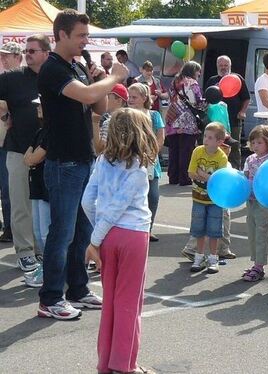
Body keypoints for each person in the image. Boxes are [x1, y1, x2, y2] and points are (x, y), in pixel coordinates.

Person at [37, 9, 129, 320]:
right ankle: (50, 298)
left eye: (86, 35)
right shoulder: (52, 69)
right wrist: (115, 77)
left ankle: (77, 289)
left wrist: (101, 79)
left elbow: (98, 105)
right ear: (61, 35)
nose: (85, 41)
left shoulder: (75, 66)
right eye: (80, 35)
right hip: (63, 163)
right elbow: (87, 95)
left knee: (83, 232)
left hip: (83, 159)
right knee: (61, 233)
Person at [82, 108, 159, 374]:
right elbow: (119, 206)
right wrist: (96, 238)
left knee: (111, 303)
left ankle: (106, 363)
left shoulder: (102, 160)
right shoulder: (139, 167)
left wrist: (98, 236)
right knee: (129, 302)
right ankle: (125, 365)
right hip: (133, 235)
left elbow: (87, 202)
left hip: (108, 237)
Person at [0, 34, 50, 271]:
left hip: (50, 151)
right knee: (21, 203)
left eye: (33, 50)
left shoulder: (55, 75)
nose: (27, 54)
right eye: (26, 50)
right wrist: (4, 115)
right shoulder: (13, 77)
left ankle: (41, 249)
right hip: (19, 149)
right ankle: (25, 252)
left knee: (43, 205)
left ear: (46, 53)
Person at [187, 122, 228, 274]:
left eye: (210, 138)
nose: (205, 140)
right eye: (205, 136)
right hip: (198, 197)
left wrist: (203, 174)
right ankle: (199, 257)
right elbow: (191, 172)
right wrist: (209, 178)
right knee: (198, 229)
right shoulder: (198, 151)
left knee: (214, 230)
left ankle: (213, 258)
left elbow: (219, 180)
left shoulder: (221, 157)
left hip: (215, 200)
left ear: (219, 141)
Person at [127, 83, 165, 242]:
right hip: (131, 161)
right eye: (129, 97)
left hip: (150, 162)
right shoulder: (126, 115)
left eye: (134, 97)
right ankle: (132, 229)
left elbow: (160, 137)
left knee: (152, 197)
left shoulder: (154, 115)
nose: (130, 100)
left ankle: (147, 230)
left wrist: (151, 154)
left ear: (144, 98)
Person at [242, 124, 268, 282]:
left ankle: (259, 266)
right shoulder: (250, 159)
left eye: (259, 142)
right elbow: (245, 177)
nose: (255, 146)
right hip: (250, 200)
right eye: (253, 142)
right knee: (252, 231)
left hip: (264, 201)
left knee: (262, 232)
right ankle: (255, 262)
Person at [205, 55, 250, 169]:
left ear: (230, 66)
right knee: (215, 146)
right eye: (221, 65)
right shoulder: (212, 80)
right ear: (217, 66)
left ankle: (235, 171)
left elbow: (246, 97)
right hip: (216, 122)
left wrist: (243, 111)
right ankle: (217, 170)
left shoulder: (237, 78)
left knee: (234, 146)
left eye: (226, 65)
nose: (223, 68)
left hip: (234, 119)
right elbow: (206, 100)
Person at [165, 61, 205, 186]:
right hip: (187, 121)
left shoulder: (175, 81)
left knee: (174, 150)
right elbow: (197, 102)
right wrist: (208, 103)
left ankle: (173, 177)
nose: (199, 73)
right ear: (193, 70)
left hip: (172, 119)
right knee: (186, 151)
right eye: (198, 70)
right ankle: (184, 179)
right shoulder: (192, 83)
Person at [0, 41, 24, 243]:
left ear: (18, 57)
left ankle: (11, 229)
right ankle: (9, 228)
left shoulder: (22, 81)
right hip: (7, 142)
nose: (3, 59)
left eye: (6, 55)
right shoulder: (5, 81)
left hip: (15, 144)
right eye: (2, 55)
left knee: (12, 192)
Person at [23, 113, 48, 288]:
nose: (39, 108)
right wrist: (32, 159)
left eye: (40, 105)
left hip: (47, 188)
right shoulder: (40, 131)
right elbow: (27, 157)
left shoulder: (52, 132)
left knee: (46, 233)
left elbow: (35, 157)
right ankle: (46, 266)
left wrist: (32, 159)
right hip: (37, 187)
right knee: (38, 232)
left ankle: (50, 270)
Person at [94, 83, 127, 154]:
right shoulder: (132, 119)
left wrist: (94, 122)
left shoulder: (110, 122)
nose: (103, 100)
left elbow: (100, 150)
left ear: (119, 100)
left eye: (107, 97)